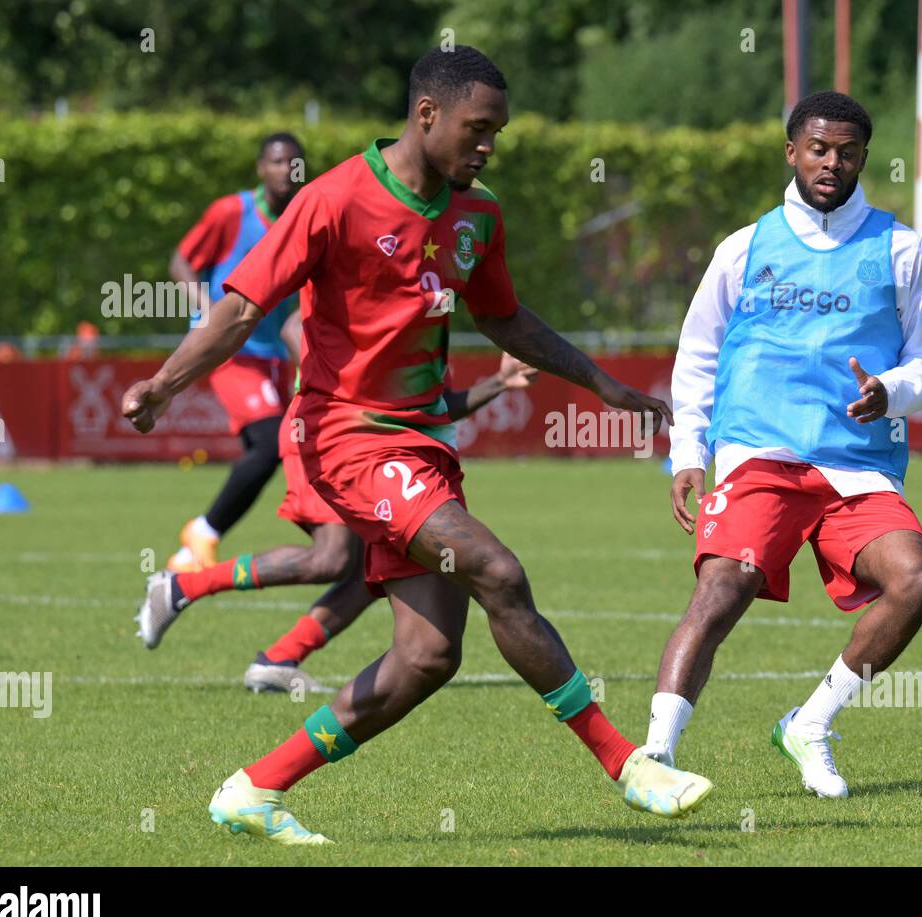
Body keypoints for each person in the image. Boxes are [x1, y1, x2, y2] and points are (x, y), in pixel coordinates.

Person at [122, 45, 713, 844]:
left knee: (428, 656)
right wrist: (163, 383)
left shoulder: (479, 214)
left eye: (498, 131)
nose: (489, 145)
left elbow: (504, 317)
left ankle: (255, 789)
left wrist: (601, 384)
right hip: (345, 437)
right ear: (426, 114)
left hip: (418, 443)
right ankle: (626, 764)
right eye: (478, 128)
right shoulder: (332, 199)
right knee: (498, 570)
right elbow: (241, 304)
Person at [643, 91, 922, 798]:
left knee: (915, 579)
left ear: (864, 158)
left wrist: (892, 391)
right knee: (724, 586)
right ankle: (656, 755)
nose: (832, 162)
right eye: (819, 148)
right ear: (792, 151)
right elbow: (698, 353)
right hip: (762, 452)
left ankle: (810, 724)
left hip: (857, 463)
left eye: (847, 151)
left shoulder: (900, 249)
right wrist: (689, 452)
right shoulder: (746, 247)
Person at [136, 345, 540, 698]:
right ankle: (180, 586)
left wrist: (500, 382)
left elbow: (432, 408)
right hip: (327, 431)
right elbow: (298, 321)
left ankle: (279, 658)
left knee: (381, 570)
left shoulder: (428, 306)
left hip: (376, 449)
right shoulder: (374, 277)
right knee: (330, 559)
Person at [163, 133, 306, 573]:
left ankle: (188, 559)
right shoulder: (232, 212)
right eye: (278, 162)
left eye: (295, 163)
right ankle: (203, 533)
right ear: (261, 168)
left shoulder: (305, 217)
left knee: (281, 449)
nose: (287, 171)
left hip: (272, 357)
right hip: (229, 351)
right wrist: (208, 312)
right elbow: (180, 261)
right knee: (269, 445)